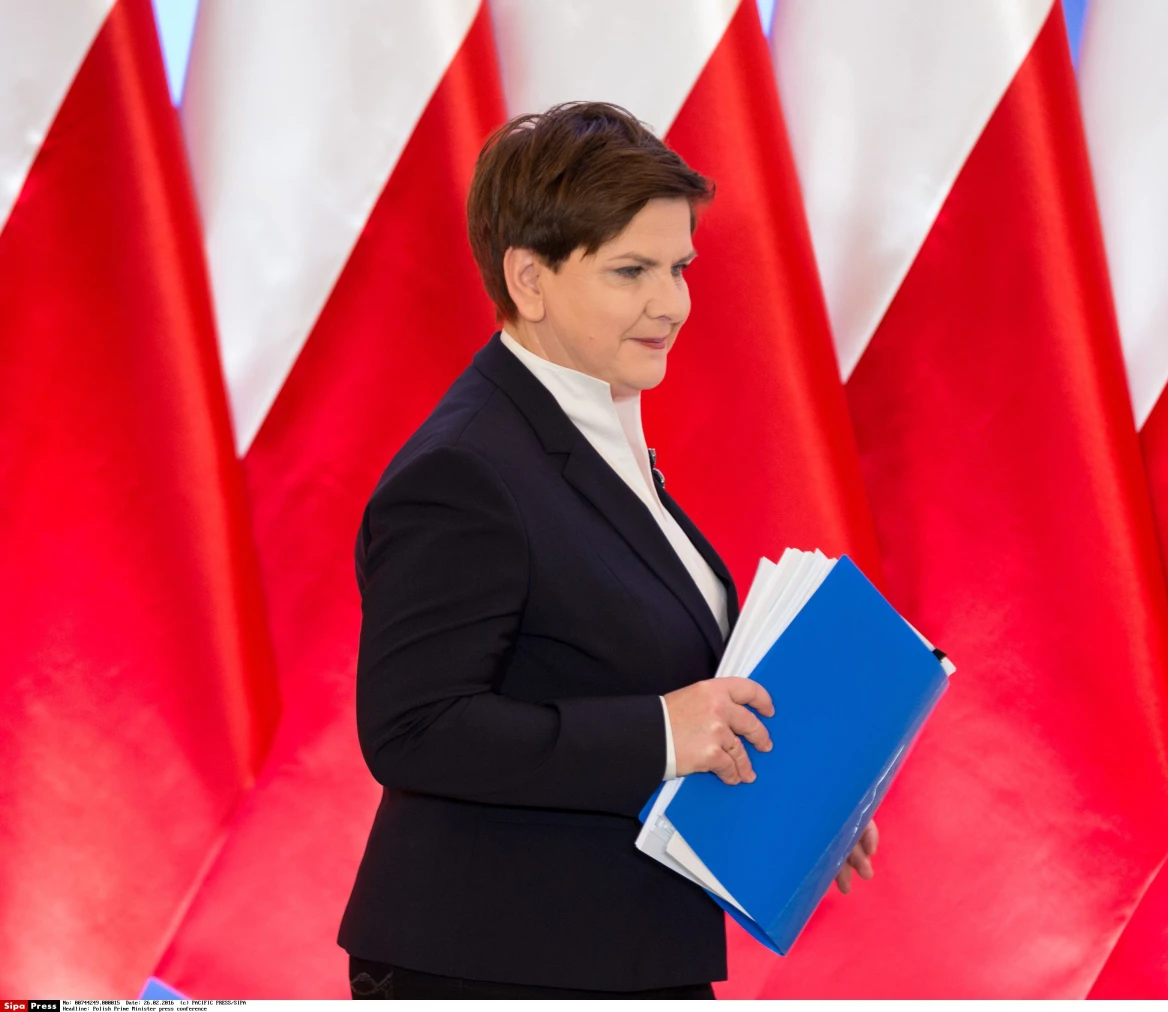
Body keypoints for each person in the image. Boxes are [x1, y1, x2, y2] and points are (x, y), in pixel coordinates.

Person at [336, 102, 879, 1000]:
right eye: (632, 271)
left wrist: (801, 793)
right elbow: (413, 730)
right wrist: (668, 731)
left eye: (679, 267)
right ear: (529, 278)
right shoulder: (464, 470)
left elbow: (616, 677)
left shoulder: (592, 431)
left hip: (625, 956)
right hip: (492, 968)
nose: (672, 303)